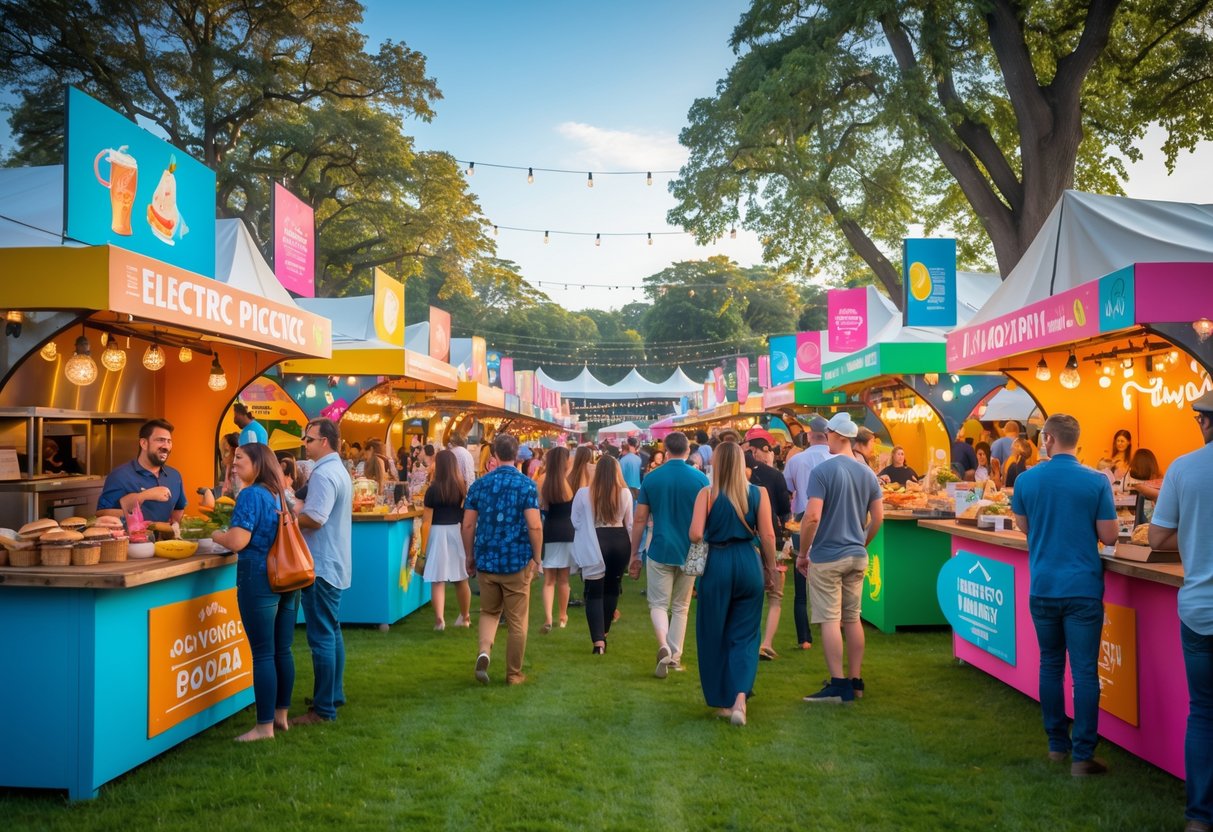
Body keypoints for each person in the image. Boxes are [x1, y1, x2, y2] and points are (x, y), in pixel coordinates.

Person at [1011, 413, 1118, 776]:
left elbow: (1024, 525)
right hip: (1083, 587)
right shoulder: (1096, 480)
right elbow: (1110, 535)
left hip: (1043, 585)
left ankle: (1057, 745)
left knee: (1051, 664)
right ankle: (1082, 755)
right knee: (1085, 672)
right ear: (1076, 440)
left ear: (1048, 439)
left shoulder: (1026, 480)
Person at [1150, 391, 1213, 830]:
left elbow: (1156, 538)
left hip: (1200, 610)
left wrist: (1193, 533)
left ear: (1205, 422)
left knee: (1204, 712)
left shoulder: (1184, 468)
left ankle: (1199, 817)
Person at [211, 444, 297, 742]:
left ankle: (263, 727)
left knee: (263, 653)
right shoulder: (279, 493)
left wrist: (216, 535)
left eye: (239, 459)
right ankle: (281, 716)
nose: (233, 464)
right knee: (282, 649)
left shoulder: (251, 495)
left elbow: (237, 540)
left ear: (257, 463)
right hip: (288, 577)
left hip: (259, 579)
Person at [689, 442, 778, 726]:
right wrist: (771, 569)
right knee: (746, 634)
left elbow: (695, 534)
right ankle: (740, 698)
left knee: (713, 632)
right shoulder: (758, 493)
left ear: (716, 463)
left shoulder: (707, 494)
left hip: (717, 563)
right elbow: (768, 536)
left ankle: (724, 699)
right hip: (748, 562)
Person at [797, 412, 883, 704]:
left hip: (828, 555)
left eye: (828, 435)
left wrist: (803, 553)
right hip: (856, 555)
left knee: (830, 619)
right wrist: (862, 542)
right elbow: (878, 517)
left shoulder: (823, 471)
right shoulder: (867, 473)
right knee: (852, 618)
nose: (826, 439)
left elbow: (812, 517)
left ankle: (838, 684)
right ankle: (855, 681)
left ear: (837, 436)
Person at [463, 434, 543, 686]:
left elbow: (468, 525)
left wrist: (469, 555)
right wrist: (537, 557)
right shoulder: (526, 485)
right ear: (517, 454)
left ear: (494, 455)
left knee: (489, 611)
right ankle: (513, 673)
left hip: (486, 558)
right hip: (516, 559)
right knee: (517, 620)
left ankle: (484, 651)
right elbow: (534, 525)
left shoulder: (479, 485)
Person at [627, 431, 708, 677]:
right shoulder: (700, 479)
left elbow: (640, 519)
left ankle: (663, 644)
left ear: (666, 450)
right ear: (687, 450)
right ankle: (674, 655)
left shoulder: (652, 478)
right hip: (690, 549)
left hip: (660, 547)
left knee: (658, 604)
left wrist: (634, 553)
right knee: (681, 606)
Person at [292, 417, 353, 725]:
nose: (305, 444)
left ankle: (323, 708)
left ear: (324, 441)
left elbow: (316, 518)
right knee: (331, 632)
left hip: (321, 565)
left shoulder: (325, 473)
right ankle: (332, 696)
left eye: (309, 439)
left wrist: (288, 518)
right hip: (332, 562)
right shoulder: (336, 469)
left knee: (322, 638)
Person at [572, 454, 633, 654]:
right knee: (612, 588)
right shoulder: (625, 493)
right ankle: (604, 632)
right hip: (619, 540)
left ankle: (598, 641)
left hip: (596, 539)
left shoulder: (584, 493)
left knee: (594, 591)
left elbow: (575, 521)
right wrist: (634, 552)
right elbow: (630, 523)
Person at [783, 415, 832, 651]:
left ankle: (804, 638)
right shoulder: (836, 459)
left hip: (803, 520)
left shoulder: (796, 460)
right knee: (831, 580)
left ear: (810, 435)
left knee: (801, 586)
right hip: (830, 521)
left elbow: (789, 488)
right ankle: (832, 629)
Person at [748, 437, 792, 661]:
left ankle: (751, 641)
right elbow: (785, 509)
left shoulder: (734, 480)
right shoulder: (775, 475)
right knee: (775, 597)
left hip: (749, 543)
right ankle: (766, 643)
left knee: (751, 597)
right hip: (773, 539)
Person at [97, 418, 187, 524]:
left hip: (165, 535)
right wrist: (143, 496)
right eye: (160, 440)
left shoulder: (175, 476)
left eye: (169, 441)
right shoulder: (119, 476)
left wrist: (173, 529)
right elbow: (101, 514)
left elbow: (179, 508)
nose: (166, 446)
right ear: (144, 443)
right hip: (130, 535)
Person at [423, 450, 471, 631]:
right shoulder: (461, 488)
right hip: (456, 531)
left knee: (437, 579)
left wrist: (423, 548)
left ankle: (439, 619)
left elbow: (426, 521)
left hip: (437, 532)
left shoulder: (432, 490)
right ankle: (465, 617)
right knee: (461, 578)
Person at [538, 446, 575, 633]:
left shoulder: (542, 480)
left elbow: (540, 508)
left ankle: (548, 618)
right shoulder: (568, 481)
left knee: (549, 580)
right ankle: (562, 616)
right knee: (564, 579)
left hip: (550, 531)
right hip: (567, 531)